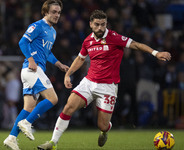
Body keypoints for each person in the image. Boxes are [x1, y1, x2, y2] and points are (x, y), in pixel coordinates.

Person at [37, 9, 171, 150]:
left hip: (108, 87)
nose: (100, 27)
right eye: (97, 24)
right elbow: (80, 59)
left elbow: (136, 45)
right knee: (68, 107)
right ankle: (53, 143)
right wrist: (67, 74)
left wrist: (156, 53)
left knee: (102, 125)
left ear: (106, 24)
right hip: (89, 82)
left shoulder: (114, 37)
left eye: (103, 24)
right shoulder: (88, 41)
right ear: (91, 24)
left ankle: (106, 129)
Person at [3, 0, 69, 150]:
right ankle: (27, 123)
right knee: (53, 99)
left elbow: (47, 52)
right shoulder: (38, 25)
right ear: (45, 12)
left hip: (33, 71)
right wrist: (31, 60)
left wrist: (58, 63)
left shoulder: (53, 32)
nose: (57, 15)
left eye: (58, 12)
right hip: (32, 69)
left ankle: (11, 138)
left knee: (28, 107)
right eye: (53, 12)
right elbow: (22, 42)